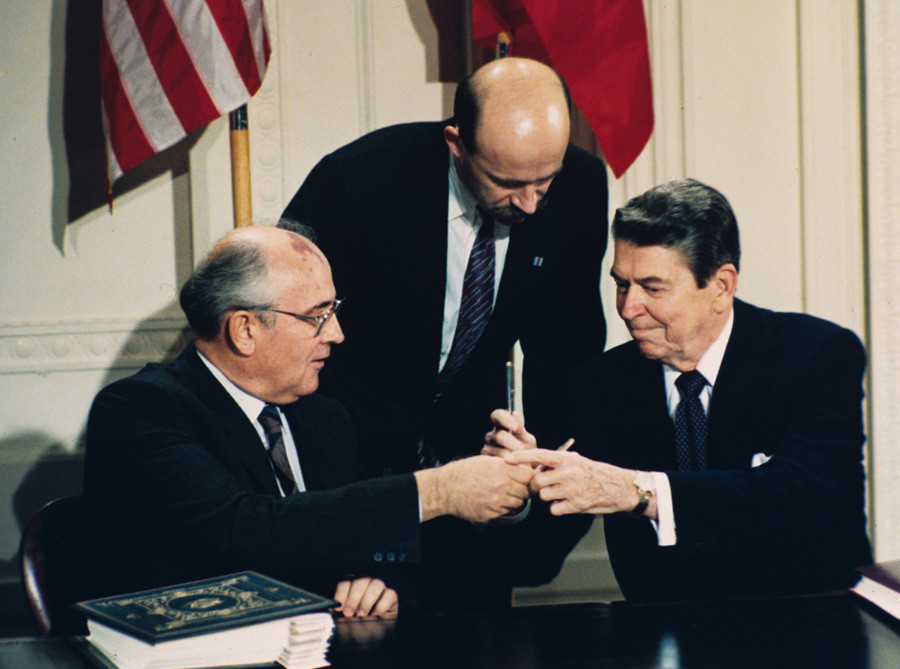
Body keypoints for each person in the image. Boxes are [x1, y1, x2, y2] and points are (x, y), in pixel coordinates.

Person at [78, 225, 536, 619]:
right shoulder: (140, 411)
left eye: (333, 311)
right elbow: (247, 532)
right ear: (245, 329)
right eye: (317, 316)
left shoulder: (323, 417)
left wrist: (379, 581)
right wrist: (438, 489)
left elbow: (367, 533)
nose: (336, 334)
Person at [280, 57, 605, 608]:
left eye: (543, 183)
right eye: (507, 182)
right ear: (456, 143)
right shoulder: (356, 182)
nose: (529, 204)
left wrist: (533, 498)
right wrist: (352, 547)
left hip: (473, 498)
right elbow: (287, 350)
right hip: (354, 488)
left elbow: (567, 355)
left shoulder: (580, 184)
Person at [487, 179, 872, 602]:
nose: (628, 309)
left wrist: (635, 491)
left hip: (810, 633)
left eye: (652, 288)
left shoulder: (816, 356)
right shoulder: (596, 385)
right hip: (664, 641)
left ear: (721, 287)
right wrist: (518, 488)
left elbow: (799, 503)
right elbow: (536, 559)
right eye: (621, 284)